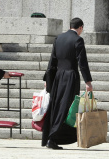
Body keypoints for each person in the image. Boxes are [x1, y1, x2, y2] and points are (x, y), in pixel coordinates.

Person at [42, 18, 93, 150]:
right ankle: (53, 138)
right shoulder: (78, 40)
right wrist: (88, 82)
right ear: (80, 28)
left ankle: (52, 137)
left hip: (58, 77)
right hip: (71, 76)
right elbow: (82, 62)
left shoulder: (58, 38)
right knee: (66, 107)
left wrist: (47, 81)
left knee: (57, 105)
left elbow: (52, 61)